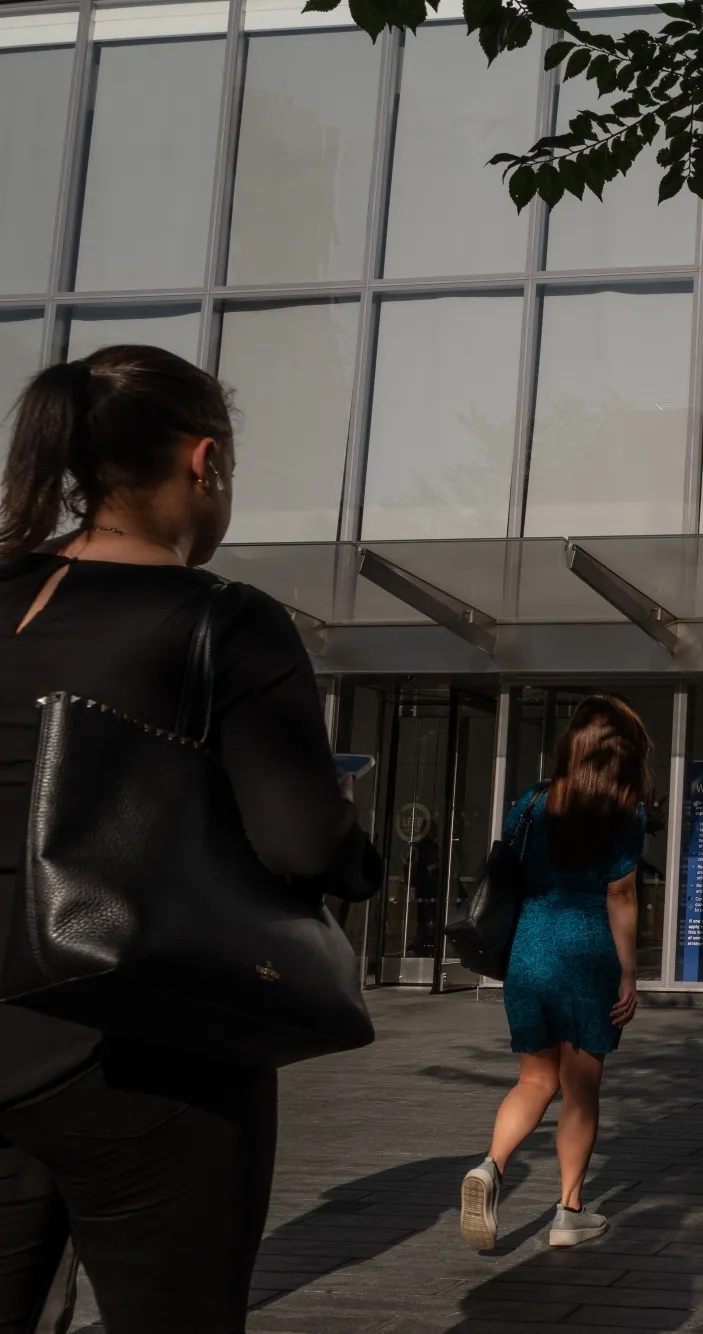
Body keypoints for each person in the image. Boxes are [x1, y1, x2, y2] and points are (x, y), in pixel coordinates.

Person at [0, 346, 383, 1331]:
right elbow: (302, 843)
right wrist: (355, 842)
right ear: (201, 462)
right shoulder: (224, 621)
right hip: (142, 1048)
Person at [460, 697, 649, 1253]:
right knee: (580, 1088)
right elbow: (620, 893)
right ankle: (568, 1211)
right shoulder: (625, 809)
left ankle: (491, 1167)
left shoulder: (532, 801)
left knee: (534, 1079)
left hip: (531, 945)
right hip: (589, 949)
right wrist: (630, 973)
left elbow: (511, 872)